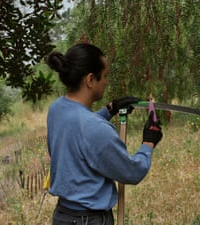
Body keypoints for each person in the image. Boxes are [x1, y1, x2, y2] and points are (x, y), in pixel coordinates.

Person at [45, 43, 163, 225]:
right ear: (91, 80)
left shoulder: (57, 109)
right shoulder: (96, 129)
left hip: (63, 216)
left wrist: (110, 109)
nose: (106, 82)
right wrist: (149, 142)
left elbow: (79, 125)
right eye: (105, 76)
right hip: (89, 220)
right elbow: (132, 173)